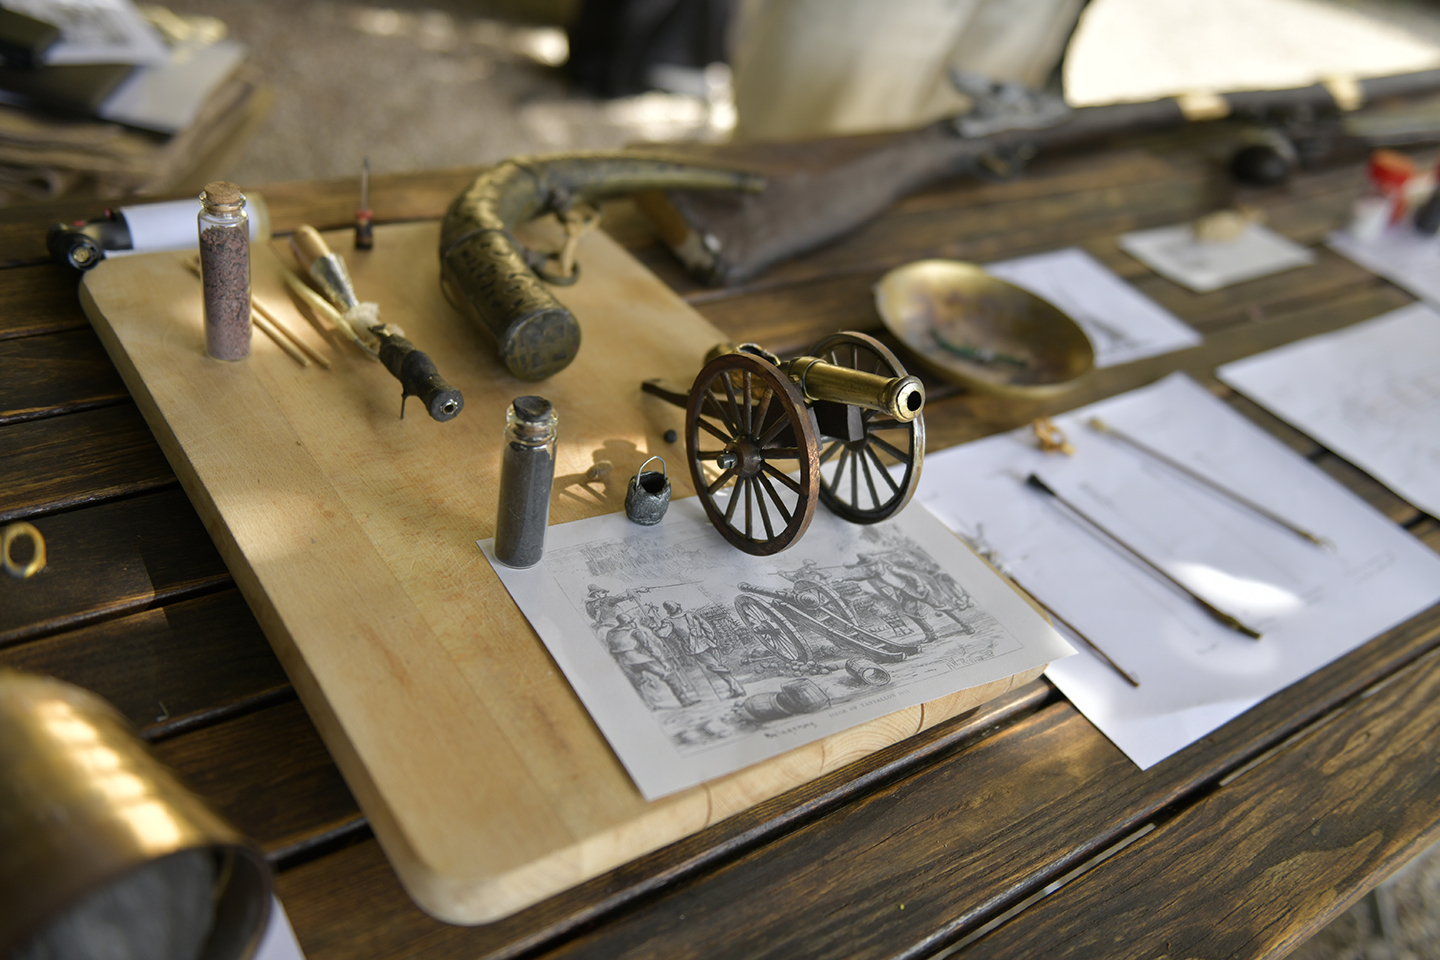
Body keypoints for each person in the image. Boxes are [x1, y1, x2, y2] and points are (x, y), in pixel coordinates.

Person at [606, 612, 699, 707]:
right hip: (637, 660)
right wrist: (663, 662)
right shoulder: (635, 632)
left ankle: (647, 705)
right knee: (668, 674)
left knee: (637, 684)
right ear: (629, 622)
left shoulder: (610, 633)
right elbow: (650, 647)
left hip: (622, 662)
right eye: (631, 621)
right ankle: (684, 700)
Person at [656, 600, 745, 698]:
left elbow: (662, 634)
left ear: (668, 611)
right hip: (707, 643)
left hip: (696, 648)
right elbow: (707, 628)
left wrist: (655, 629)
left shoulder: (668, 621)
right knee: (717, 665)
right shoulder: (691, 615)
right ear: (678, 606)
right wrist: (712, 640)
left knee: (717, 667)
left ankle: (737, 688)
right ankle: (734, 687)